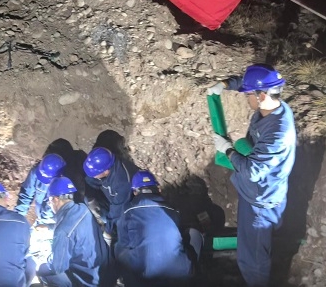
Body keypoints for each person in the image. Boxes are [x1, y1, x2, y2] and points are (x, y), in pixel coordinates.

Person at [210, 64, 296, 287]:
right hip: (263, 191)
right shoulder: (274, 107)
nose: (246, 97)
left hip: (260, 200)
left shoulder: (278, 132)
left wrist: (228, 150)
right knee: (259, 243)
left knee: (253, 258)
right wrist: (225, 84)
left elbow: (252, 171)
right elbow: (251, 82)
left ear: (261, 96)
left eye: (248, 94)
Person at [115, 170, 202, 286]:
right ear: (158, 189)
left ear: (135, 192)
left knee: (118, 248)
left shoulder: (128, 210)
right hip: (179, 273)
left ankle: (124, 280)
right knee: (194, 234)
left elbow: (123, 242)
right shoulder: (173, 210)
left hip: (143, 276)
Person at [36, 177, 111, 287]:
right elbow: (73, 227)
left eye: (49, 202)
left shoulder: (62, 232)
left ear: (55, 199)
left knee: (43, 270)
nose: (50, 205)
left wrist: (48, 258)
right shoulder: (83, 209)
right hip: (105, 270)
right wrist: (49, 227)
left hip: (90, 280)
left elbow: (58, 267)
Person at [83, 146, 139, 243]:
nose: (92, 175)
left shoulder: (122, 182)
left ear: (106, 171)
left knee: (117, 225)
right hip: (111, 197)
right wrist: (90, 199)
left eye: (94, 174)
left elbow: (117, 210)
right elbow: (90, 180)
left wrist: (107, 231)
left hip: (127, 205)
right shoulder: (102, 166)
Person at [15, 152, 67, 226]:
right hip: (40, 220)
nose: (45, 183)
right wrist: (18, 217)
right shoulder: (36, 173)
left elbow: (67, 218)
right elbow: (26, 194)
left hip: (53, 224)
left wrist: (49, 227)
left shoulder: (66, 187)